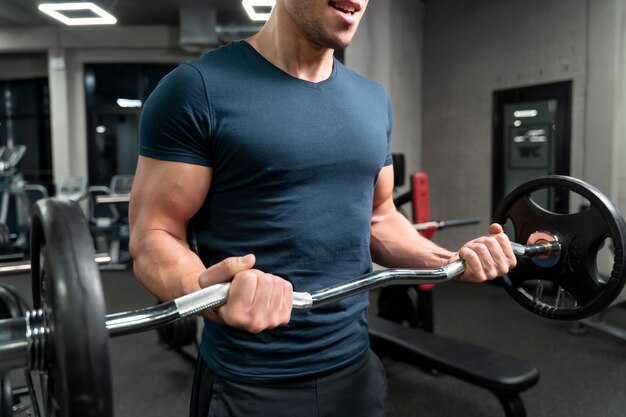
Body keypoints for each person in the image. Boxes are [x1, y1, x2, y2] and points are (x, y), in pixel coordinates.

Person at [128, 1, 517, 416]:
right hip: (248, 383)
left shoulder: (372, 99)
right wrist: (208, 294)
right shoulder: (196, 89)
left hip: (355, 369)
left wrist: (454, 260)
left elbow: (380, 218)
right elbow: (153, 235)